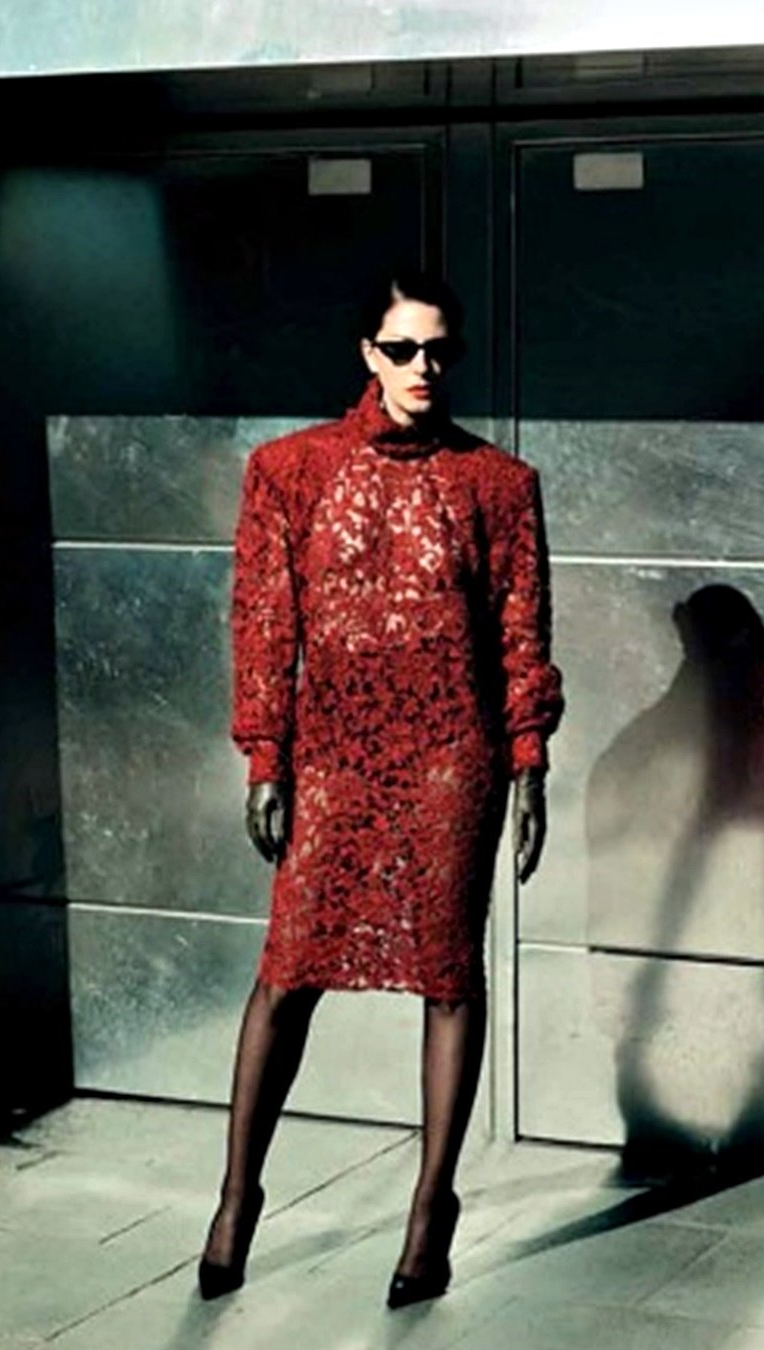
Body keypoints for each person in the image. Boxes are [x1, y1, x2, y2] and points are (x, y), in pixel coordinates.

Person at [198, 269, 564, 1308]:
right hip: (334, 754)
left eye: (438, 349)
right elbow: (264, 622)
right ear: (367, 353)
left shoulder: (498, 482)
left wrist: (528, 762)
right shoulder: (290, 469)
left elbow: (520, 632)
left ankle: (429, 1209)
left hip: (452, 755)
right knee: (287, 972)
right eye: (401, 349)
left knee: (449, 975)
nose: (422, 367)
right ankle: (235, 1197)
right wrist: (265, 756)